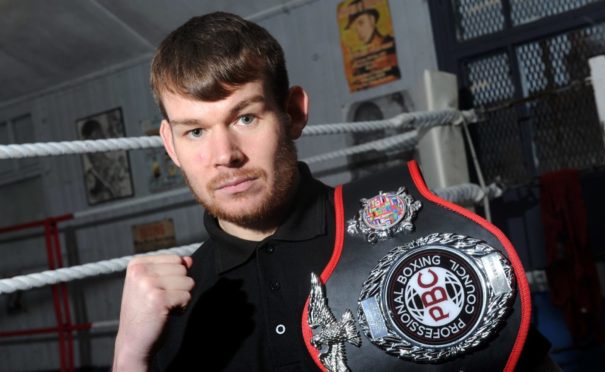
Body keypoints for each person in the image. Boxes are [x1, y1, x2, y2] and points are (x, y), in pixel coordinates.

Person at [112, 12, 559, 372]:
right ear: (170, 145)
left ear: (293, 113)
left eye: (245, 118)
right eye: (195, 132)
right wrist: (129, 357)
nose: (224, 155)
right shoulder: (171, 308)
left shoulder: (404, 234)